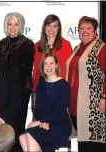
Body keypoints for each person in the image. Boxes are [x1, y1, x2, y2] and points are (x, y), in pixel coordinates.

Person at [66, 16, 105, 152]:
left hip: (92, 105)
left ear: (95, 30)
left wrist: (104, 97)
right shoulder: (77, 47)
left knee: (93, 143)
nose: (84, 31)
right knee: (82, 143)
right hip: (74, 103)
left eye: (88, 28)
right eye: (81, 28)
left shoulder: (101, 47)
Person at [0, 12, 35, 152]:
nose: (12, 27)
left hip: (21, 90)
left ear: (21, 26)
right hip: (3, 91)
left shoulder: (28, 44)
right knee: (5, 125)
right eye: (9, 24)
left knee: (18, 124)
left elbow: (25, 70)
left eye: (16, 24)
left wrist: (13, 90)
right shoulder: (1, 43)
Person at [19, 51, 72, 152]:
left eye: (51, 63)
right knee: (22, 137)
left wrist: (41, 122)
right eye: (45, 63)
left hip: (59, 125)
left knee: (30, 135)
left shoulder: (63, 85)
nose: (48, 66)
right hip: (44, 123)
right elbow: (39, 110)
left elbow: (60, 113)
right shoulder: (41, 84)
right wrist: (42, 123)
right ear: (42, 66)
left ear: (56, 65)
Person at [32, 14, 72, 92]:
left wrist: (60, 85)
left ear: (58, 28)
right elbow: (36, 69)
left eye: (55, 26)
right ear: (44, 27)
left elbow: (67, 69)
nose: (51, 29)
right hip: (40, 86)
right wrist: (34, 86)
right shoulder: (37, 46)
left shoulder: (65, 45)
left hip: (59, 87)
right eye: (49, 25)